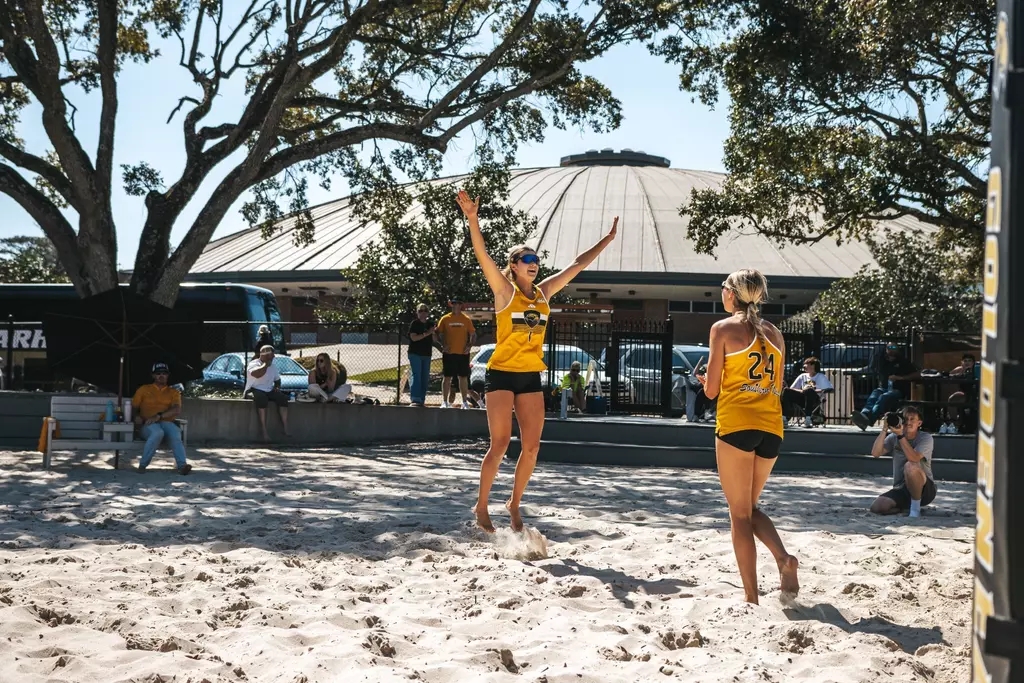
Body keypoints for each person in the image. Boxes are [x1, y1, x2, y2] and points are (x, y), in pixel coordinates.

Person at [457, 189, 616, 533]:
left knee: (531, 448)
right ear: (513, 267)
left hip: (530, 376)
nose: (533, 262)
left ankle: (514, 503)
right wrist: (473, 218)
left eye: (536, 259)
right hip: (500, 374)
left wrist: (607, 239)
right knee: (499, 444)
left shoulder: (543, 292)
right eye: (526, 259)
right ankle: (481, 505)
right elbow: (481, 253)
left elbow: (577, 265)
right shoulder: (504, 291)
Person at [696, 269, 799, 605]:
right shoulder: (775, 333)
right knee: (749, 508)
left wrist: (706, 382)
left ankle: (751, 597)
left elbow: (711, 392)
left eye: (723, 288)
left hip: (737, 423)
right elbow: (779, 387)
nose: (721, 294)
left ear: (732, 293)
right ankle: (783, 558)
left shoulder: (722, 328)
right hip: (772, 427)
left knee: (738, 514)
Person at [869, 405, 936, 518]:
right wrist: (885, 429)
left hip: (925, 489)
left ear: (919, 423)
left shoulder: (926, 438)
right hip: (901, 488)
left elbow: (914, 458)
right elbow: (875, 453)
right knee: (877, 507)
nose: (908, 422)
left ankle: (915, 510)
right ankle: (903, 508)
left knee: (910, 466)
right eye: (905, 419)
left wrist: (901, 435)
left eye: (912, 419)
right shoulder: (893, 437)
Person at [131, 362, 191, 475]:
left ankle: (182, 466)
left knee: (175, 433)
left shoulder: (174, 392)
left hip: (166, 422)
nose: (161, 375)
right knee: (157, 432)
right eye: (158, 373)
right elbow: (134, 407)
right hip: (147, 423)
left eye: (164, 373)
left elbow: (176, 410)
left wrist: (158, 416)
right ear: (153, 376)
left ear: (168, 376)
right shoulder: (144, 389)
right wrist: (136, 416)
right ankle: (143, 465)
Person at [851, 344, 920, 431]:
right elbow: (873, 366)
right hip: (884, 388)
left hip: (897, 390)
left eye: (894, 347)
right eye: (889, 348)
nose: (891, 350)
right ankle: (864, 414)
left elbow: (917, 374)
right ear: (886, 350)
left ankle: (870, 420)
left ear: (898, 349)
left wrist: (900, 378)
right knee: (875, 393)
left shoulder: (903, 362)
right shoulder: (883, 361)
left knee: (883, 397)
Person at [436, 299, 477, 409]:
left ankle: (464, 402)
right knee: (447, 377)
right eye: (454, 304)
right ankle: (444, 402)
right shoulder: (445, 319)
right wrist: (442, 345)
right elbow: (436, 333)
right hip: (449, 353)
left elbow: (473, 334)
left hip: (463, 354)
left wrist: (469, 346)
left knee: (463, 377)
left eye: (458, 304)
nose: (456, 306)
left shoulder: (466, 319)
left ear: (461, 306)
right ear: (451, 305)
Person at [246, 345, 291, 441]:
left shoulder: (273, 367)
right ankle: (264, 430)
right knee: (262, 398)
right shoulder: (254, 364)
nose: (274, 357)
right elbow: (256, 374)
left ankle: (285, 427)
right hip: (254, 389)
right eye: (271, 355)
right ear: (265, 356)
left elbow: (277, 380)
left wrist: (276, 387)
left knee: (282, 398)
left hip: (268, 390)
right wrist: (265, 364)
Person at [782, 357, 833, 427]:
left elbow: (829, 388)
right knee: (786, 390)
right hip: (802, 399)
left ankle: (808, 419)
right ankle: (784, 418)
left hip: (814, 400)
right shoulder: (802, 376)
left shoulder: (821, 376)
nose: (804, 367)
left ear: (813, 365)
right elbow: (793, 388)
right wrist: (803, 391)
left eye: (806, 365)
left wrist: (813, 390)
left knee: (809, 391)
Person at [407, 304, 435, 407]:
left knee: (424, 377)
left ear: (428, 312)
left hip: (426, 354)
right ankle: (415, 399)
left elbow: (435, 339)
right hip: (415, 353)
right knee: (416, 375)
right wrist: (427, 333)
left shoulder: (431, 324)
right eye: (420, 311)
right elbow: (414, 338)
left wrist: (435, 333)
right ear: (417, 312)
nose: (423, 313)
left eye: (425, 311)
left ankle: (422, 399)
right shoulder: (415, 323)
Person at [945, 353, 979, 432]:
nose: (967, 363)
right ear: (962, 362)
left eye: (969, 361)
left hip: (978, 395)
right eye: (965, 361)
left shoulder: (977, 369)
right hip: (965, 394)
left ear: (973, 363)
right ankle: (954, 424)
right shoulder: (959, 369)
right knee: (952, 399)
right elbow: (949, 375)